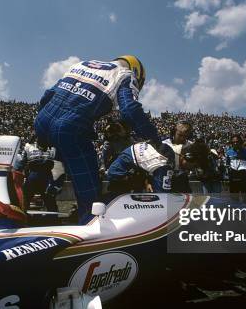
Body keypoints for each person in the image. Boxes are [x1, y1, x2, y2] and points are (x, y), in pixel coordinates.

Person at [34, 56, 160, 224]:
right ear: (137, 71)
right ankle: (88, 223)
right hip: (68, 130)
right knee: (91, 194)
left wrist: (42, 128)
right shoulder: (125, 74)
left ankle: (46, 191)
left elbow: (47, 95)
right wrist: (155, 140)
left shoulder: (81, 64)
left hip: (42, 120)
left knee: (57, 163)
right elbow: (130, 110)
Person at [106, 141, 210, 196]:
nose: (192, 169)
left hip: (126, 166)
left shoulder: (166, 150)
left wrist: (147, 181)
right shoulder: (166, 162)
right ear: (188, 157)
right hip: (117, 176)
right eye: (194, 165)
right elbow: (161, 196)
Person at [14, 138, 60, 212]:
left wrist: (16, 172)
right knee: (49, 199)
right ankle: (54, 218)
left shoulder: (28, 147)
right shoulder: (53, 148)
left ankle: (21, 216)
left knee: (26, 199)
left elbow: (21, 163)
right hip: (44, 177)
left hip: (36, 176)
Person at [163, 120, 194, 193]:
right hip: (165, 178)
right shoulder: (164, 144)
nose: (182, 138)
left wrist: (186, 161)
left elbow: (191, 166)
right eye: (180, 135)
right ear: (174, 132)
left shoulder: (190, 145)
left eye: (185, 136)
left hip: (182, 179)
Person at [226, 135, 246, 204]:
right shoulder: (229, 152)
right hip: (233, 175)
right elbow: (228, 164)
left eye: (237, 142)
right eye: (233, 142)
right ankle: (236, 213)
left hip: (244, 175)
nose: (235, 143)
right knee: (234, 197)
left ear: (240, 142)